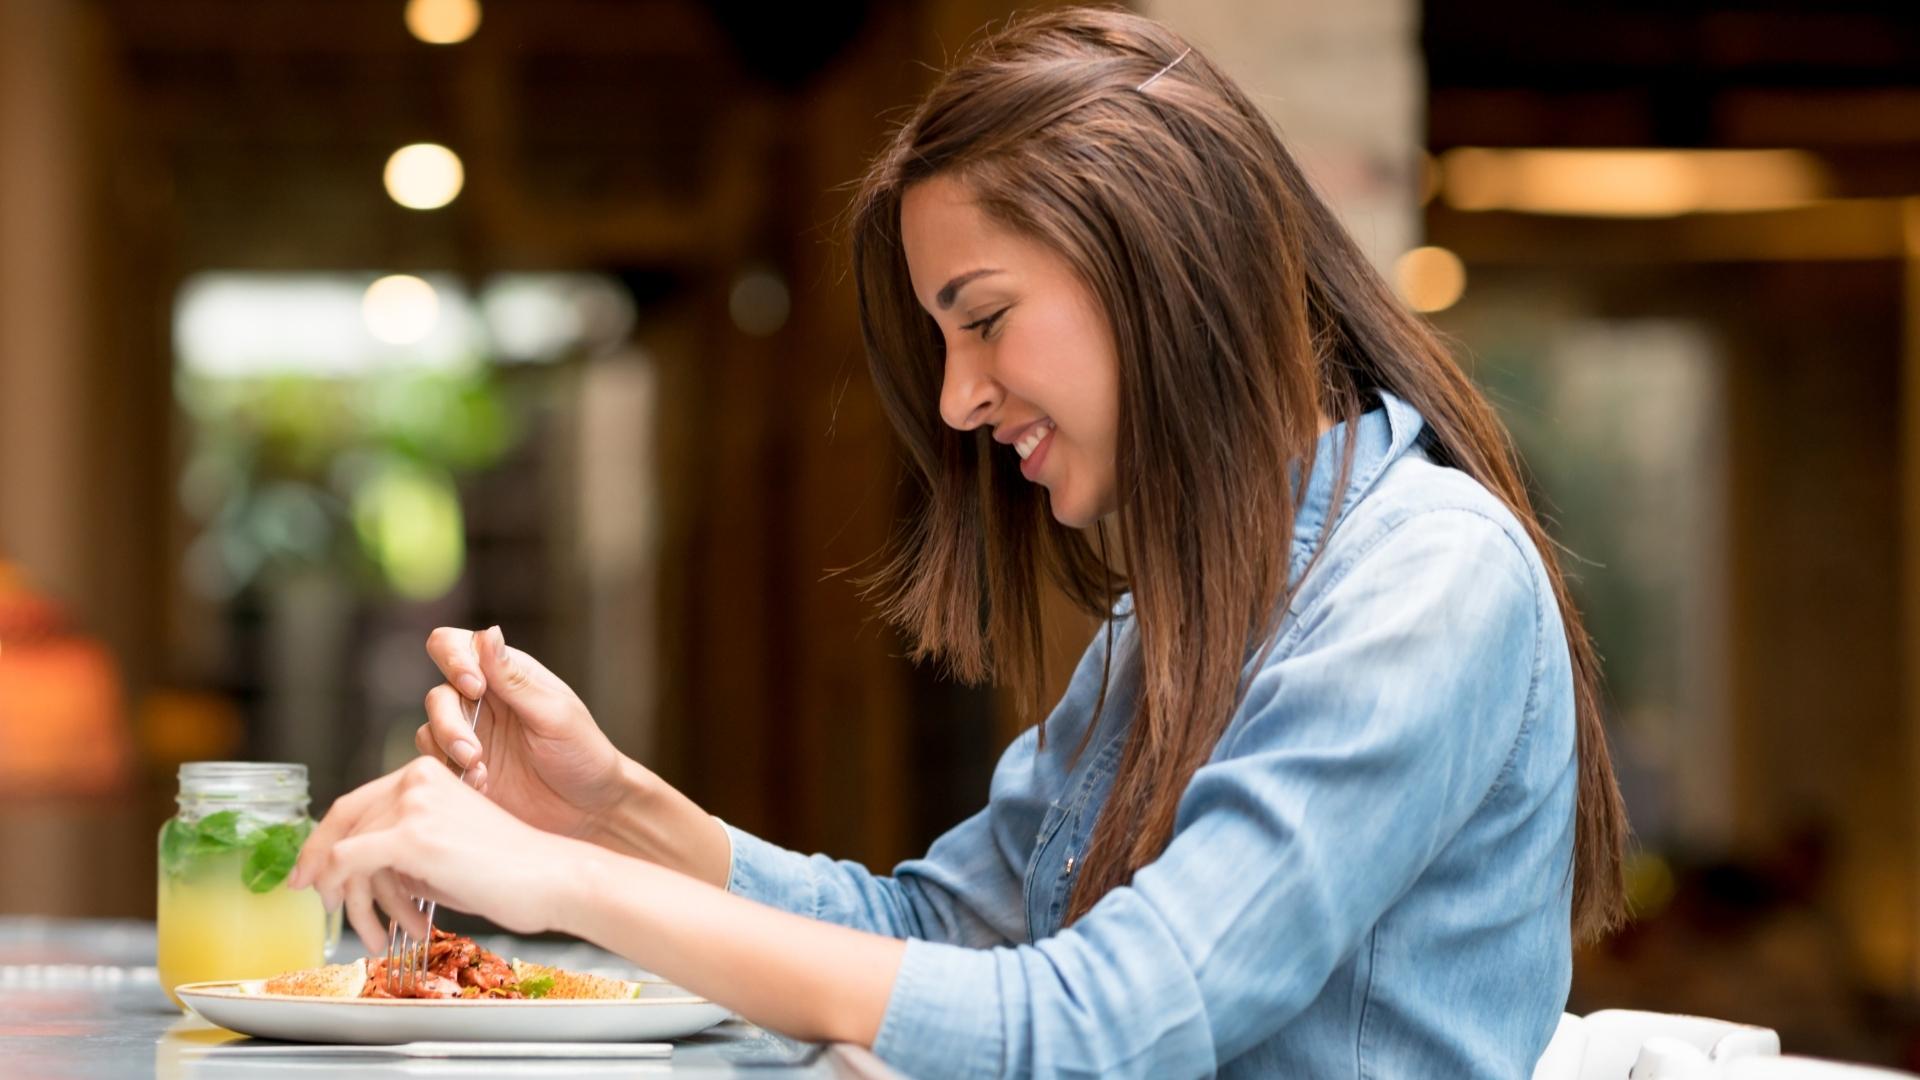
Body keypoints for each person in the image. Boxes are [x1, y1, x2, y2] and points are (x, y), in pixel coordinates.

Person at [288, 8, 1629, 1077]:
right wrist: (611, 810)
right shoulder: (1186, 611)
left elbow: (1099, 1026)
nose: (955, 400)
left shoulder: (1422, 585)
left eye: (981, 318)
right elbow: (937, 933)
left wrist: (562, 882)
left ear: (1157, 264)